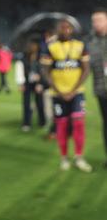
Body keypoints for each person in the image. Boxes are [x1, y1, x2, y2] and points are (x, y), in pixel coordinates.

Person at [40, 18, 92, 172]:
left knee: (78, 123)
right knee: (61, 126)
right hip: (58, 95)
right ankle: (64, 158)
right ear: (57, 30)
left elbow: (86, 69)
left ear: (72, 30)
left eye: (68, 28)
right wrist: (58, 90)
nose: (66, 30)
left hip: (77, 94)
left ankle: (79, 157)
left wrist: (74, 90)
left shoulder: (80, 45)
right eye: (63, 28)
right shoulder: (50, 47)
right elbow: (45, 71)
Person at [88, 8, 107, 168]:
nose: (96, 23)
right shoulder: (90, 41)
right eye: (94, 21)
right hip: (101, 89)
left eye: (100, 20)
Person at [14, 39, 45, 131]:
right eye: (32, 45)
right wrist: (21, 83)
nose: (33, 47)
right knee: (26, 103)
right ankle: (26, 123)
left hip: (38, 83)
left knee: (40, 103)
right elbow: (19, 69)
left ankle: (42, 122)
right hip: (27, 83)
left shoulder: (41, 57)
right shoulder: (24, 57)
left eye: (35, 45)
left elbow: (44, 70)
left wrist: (40, 82)